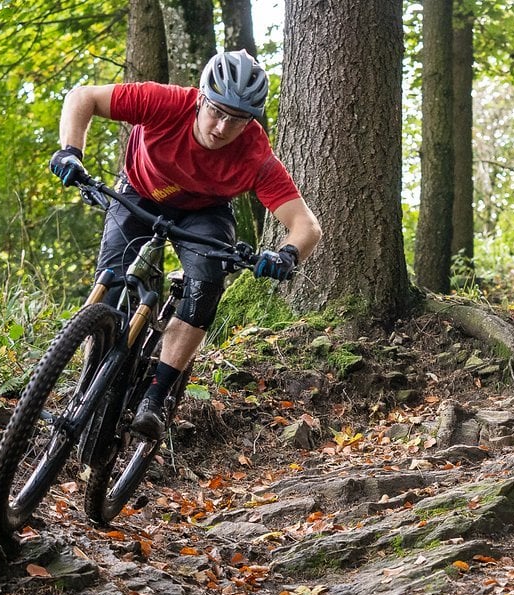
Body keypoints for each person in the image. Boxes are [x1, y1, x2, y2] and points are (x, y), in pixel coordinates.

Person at [48, 50, 322, 439]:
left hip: (204, 213)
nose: (223, 127)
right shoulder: (165, 102)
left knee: (205, 286)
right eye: (217, 111)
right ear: (200, 98)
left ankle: (155, 398)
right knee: (110, 286)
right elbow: (83, 97)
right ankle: (88, 383)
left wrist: (287, 254)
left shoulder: (255, 154)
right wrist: (70, 152)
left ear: (251, 121)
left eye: (238, 119)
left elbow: (306, 225)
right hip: (139, 193)